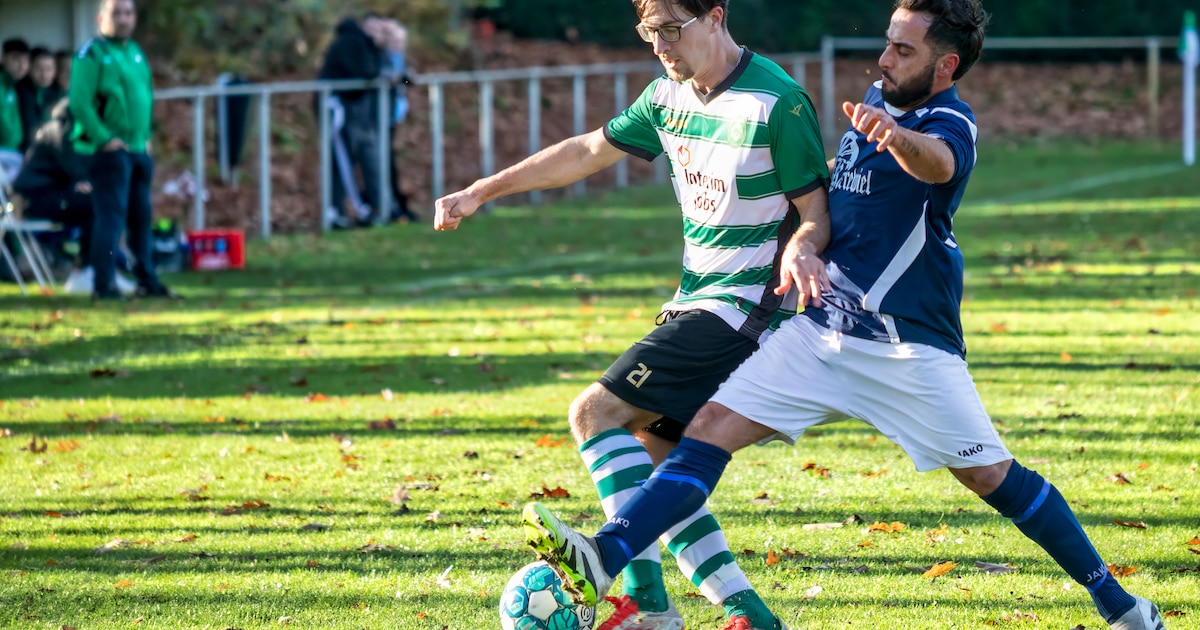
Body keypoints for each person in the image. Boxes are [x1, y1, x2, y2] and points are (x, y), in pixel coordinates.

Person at [523, 1, 1171, 629]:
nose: (884, 57)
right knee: (706, 431)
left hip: (905, 346)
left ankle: (1119, 605)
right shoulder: (873, 109)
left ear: (944, 65)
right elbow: (831, 213)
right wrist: (803, 242)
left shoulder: (950, 120)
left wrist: (899, 138)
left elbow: (939, 163)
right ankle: (606, 559)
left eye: (903, 49)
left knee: (989, 476)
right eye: (887, 42)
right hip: (820, 331)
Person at [436, 0, 829, 627]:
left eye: (672, 29)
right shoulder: (666, 97)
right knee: (651, 464)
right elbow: (585, 151)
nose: (660, 45)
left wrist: (805, 250)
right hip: (698, 305)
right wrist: (481, 190)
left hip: (747, 312)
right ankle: (749, 614)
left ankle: (647, 606)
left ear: (717, 17)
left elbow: (817, 210)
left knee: (595, 413)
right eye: (649, 33)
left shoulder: (775, 103)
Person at [70, 0, 179, 301]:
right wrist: (104, 138)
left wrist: (144, 137)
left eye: (128, 13)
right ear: (101, 17)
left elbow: (145, 97)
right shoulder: (91, 54)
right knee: (110, 219)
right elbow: (79, 102)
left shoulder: (135, 52)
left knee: (141, 218)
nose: (123, 19)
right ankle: (104, 284)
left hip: (137, 149)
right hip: (108, 152)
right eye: (116, 13)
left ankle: (147, 279)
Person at [9, 100, 137, 295]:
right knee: (97, 207)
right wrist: (87, 180)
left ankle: (100, 269)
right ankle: (85, 271)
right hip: (34, 198)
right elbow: (73, 164)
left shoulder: (65, 128)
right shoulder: (60, 130)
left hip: (48, 194)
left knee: (100, 205)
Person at [317, 13, 394, 229]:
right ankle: (357, 210)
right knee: (344, 162)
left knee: (370, 162)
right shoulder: (354, 44)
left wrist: (400, 79)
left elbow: (398, 76)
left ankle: (377, 208)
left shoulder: (379, 49)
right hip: (344, 112)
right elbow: (368, 73)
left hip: (366, 116)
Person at [379, 18, 418, 223]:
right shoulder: (382, 55)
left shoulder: (398, 57)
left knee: (388, 161)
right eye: (394, 39)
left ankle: (397, 205)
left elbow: (404, 79)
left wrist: (404, 77)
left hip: (393, 115)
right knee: (383, 163)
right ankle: (392, 206)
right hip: (380, 116)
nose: (398, 43)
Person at [17, 47, 63, 153]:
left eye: (49, 69)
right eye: (39, 68)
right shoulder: (20, 91)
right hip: (22, 151)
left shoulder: (56, 92)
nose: (44, 74)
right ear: (29, 68)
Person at [0, 38, 30, 176]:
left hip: (15, 155)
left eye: (25, 61)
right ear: (3, 58)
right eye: (16, 59)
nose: (22, 66)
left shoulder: (17, 85)